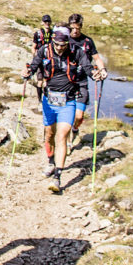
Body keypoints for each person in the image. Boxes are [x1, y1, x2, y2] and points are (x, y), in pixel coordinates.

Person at [22, 26, 106, 193]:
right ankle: (50, 161)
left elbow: (88, 67)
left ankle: (57, 177)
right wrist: (27, 72)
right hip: (49, 99)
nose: (60, 47)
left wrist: (96, 74)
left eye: (63, 44)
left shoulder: (77, 51)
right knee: (49, 134)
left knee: (62, 135)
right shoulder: (44, 51)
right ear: (53, 40)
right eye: (57, 44)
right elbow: (34, 66)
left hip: (68, 100)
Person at [66, 13, 106, 139]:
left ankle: (75, 129)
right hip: (66, 82)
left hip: (82, 81)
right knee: (67, 115)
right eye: (72, 28)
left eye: (77, 28)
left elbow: (97, 58)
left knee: (79, 116)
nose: (75, 31)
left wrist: (102, 70)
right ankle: (65, 139)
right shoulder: (64, 40)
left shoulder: (87, 41)